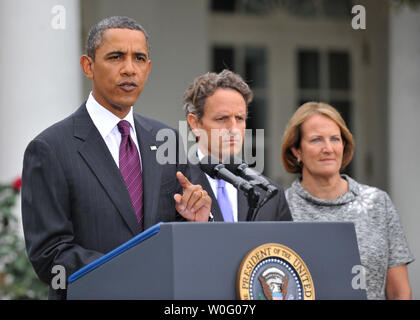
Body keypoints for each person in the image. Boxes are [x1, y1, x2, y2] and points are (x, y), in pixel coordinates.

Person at [21, 16, 211, 300]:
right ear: (88, 66)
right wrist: (129, 273)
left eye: (139, 58)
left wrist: (199, 224)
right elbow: (50, 257)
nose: (129, 69)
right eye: (116, 57)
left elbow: (188, 243)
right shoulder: (50, 149)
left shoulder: (167, 139)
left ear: (148, 69)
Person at [281, 101, 414, 300]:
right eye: (316, 140)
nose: (328, 148)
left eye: (335, 139)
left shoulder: (377, 202)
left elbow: (399, 292)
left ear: (344, 145)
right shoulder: (281, 207)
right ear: (296, 150)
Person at [183, 70, 291, 222]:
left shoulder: (270, 193)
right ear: (195, 123)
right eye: (222, 118)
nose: (233, 129)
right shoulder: (174, 186)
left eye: (240, 118)